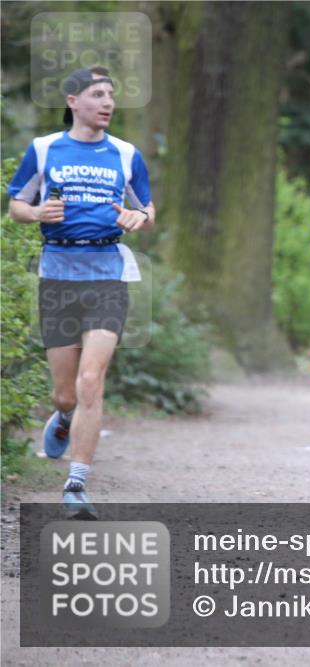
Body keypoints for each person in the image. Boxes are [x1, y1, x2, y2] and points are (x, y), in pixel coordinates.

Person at [7, 66, 155, 519]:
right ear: (73, 101)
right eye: (97, 94)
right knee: (65, 393)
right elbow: (16, 204)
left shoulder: (127, 154)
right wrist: (36, 214)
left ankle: (76, 484)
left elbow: (146, 208)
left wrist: (139, 218)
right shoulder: (44, 149)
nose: (108, 103)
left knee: (93, 379)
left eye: (111, 95)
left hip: (108, 273)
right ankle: (65, 416)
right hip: (58, 274)